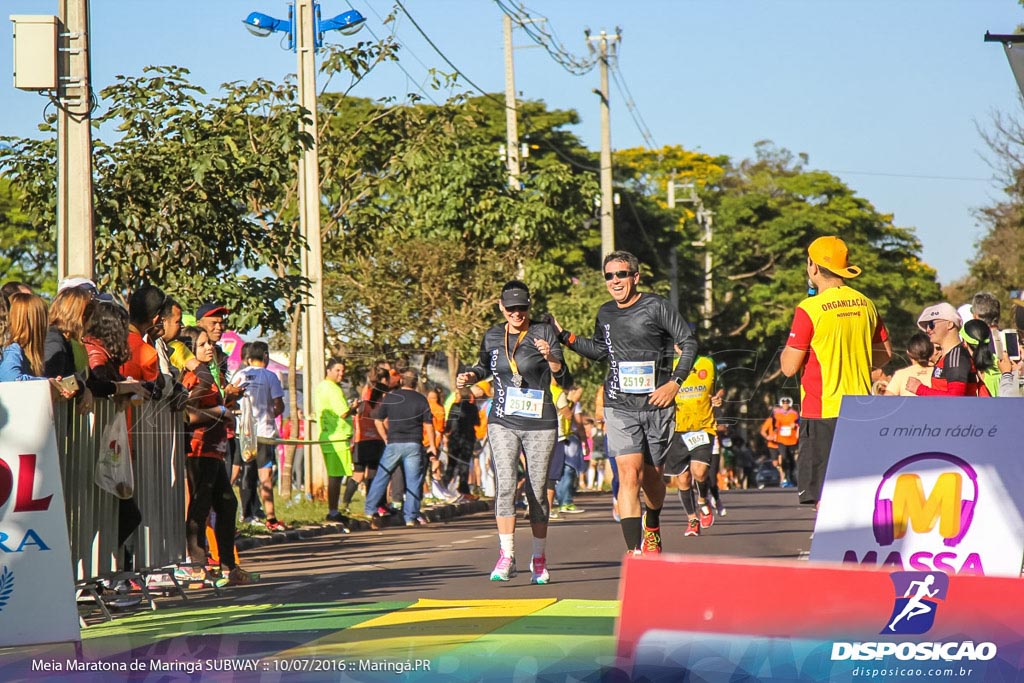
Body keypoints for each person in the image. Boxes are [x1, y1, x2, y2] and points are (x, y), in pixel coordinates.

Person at [553, 251, 698, 556]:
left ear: (635, 276)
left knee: (654, 481)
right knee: (629, 474)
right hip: (619, 405)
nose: (615, 281)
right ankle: (635, 552)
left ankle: (653, 523)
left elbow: (689, 343)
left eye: (621, 274)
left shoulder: (657, 306)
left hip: (656, 405)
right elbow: (599, 351)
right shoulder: (605, 313)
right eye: (609, 275)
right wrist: (564, 336)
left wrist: (675, 383)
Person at [457, 280, 571, 583]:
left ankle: (538, 558)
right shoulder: (493, 335)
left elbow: (563, 374)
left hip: (540, 422)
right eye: (511, 309)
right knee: (505, 484)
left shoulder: (543, 331)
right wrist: (470, 375)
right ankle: (506, 555)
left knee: (536, 491)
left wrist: (551, 357)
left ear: (529, 307)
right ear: (501, 307)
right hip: (503, 420)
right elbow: (484, 366)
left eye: (522, 308)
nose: (517, 314)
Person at [781, 236, 891, 509]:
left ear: (813, 267)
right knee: (858, 488)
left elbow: (789, 367)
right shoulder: (866, 303)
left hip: (823, 409)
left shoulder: (809, 308)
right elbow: (885, 354)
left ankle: (833, 548)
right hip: (861, 407)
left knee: (825, 496)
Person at [179, 326, 254, 586]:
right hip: (199, 448)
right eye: (202, 345)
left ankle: (227, 566)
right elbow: (188, 414)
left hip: (215, 447)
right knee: (200, 507)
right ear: (190, 350)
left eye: (209, 344)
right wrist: (222, 410)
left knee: (226, 504)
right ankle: (198, 566)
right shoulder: (194, 376)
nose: (209, 347)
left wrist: (228, 401)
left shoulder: (209, 373)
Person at [364, 369, 437, 528]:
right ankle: (410, 517)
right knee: (413, 482)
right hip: (414, 445)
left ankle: (370, 509)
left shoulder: (391, 397)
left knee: (382, 477)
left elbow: (378, 420)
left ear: (402, 381)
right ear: (416, 382)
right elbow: (428, 425)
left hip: (394, 443)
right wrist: (432, 445)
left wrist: (385, 437)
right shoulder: (421, 399)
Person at [231, 341, 287, 531]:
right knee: (265, 476)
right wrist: (271, 414)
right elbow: (279, 405)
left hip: (244, 434)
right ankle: (271, 518)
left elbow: (230, 398)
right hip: (264, 434)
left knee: (241, 473)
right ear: (265, 355)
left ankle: (244, 514)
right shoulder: (270, 376)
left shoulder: (240, 374)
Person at [664, 351, 719, 537]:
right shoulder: (669, 365)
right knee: (683, 478)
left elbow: (719, 388)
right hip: (678, 428)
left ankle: (703, 500)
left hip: (703, 426)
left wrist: (718, 397)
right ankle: (692, 519)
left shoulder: (708, 362)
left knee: (700, 471)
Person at [906, 303, 986, 397]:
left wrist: (920, 389)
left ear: (950, 324)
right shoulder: (947, 356)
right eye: (927, 326)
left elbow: (954, 398)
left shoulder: (957, 356)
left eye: (931, 324)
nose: (928, 330)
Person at [343, 366, 389, 513]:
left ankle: (345, 503)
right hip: (375, 440)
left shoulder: (363, 401)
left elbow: (355, 414)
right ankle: (373, 504)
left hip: (361, 440)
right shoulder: (381, 404)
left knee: (358, 474)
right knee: (373, 474)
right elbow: (384, 421)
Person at [317, 357, 357, 522]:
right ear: (329, 370)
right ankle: (333, 511)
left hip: (329, 435)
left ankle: (334, 510)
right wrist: (354, 408)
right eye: (337, 370)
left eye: (342, 370)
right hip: (337, 437)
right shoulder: (332, 389)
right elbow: (343, 412)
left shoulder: (322, 386)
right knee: (336, 475)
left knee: (336, 475)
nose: (341, 374)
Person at [884, 333, 936, 397]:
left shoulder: (900, 375)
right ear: (932, 351)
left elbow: (887, 400)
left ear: (908, 352)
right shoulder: (940, 373)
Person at [768, 396, 799, 487]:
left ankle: (792, 474)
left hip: (792, 440)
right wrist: (774, 432)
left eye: (787, 403)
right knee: (784, 457)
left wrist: (795, 425)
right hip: (781, 439)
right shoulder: (777, 413)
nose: (785, 405)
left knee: (792, 459)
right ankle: (785, 476)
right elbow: (773, 424)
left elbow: (799, 422)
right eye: (784, 403)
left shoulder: (794, 413)